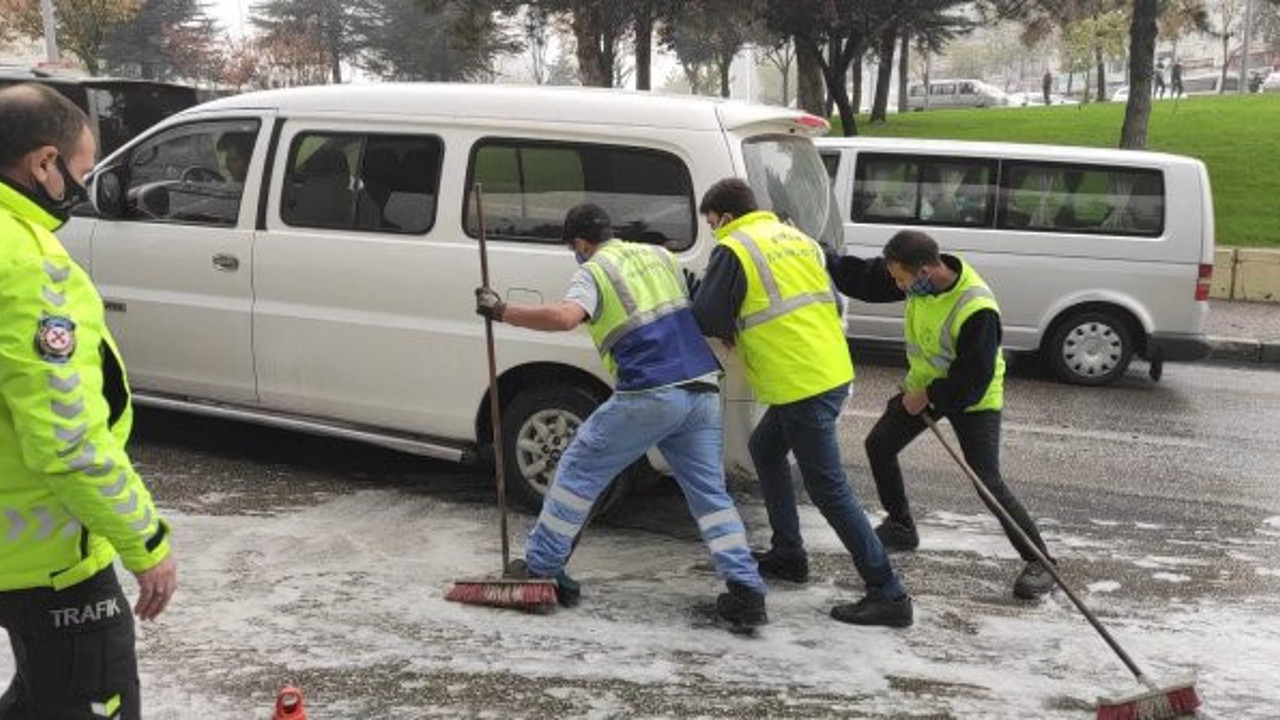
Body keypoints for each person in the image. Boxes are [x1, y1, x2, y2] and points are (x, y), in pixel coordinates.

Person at [474, 203, 770, 627]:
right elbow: (703, 302)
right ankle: (746, 592)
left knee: (577, 468)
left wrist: (501, 311)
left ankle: (540, 569)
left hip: (650, 393)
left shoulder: (593, 270)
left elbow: (565, 317)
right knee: (710, 496)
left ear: (579, 243)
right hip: (701, 389)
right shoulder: (660, 256)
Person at [0, 83, 177, 719]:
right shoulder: (26, 264)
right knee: (89, 698)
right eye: (80, 172)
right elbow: (68, 436)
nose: (82, 189)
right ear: (42, 164)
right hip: (48, 556)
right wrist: (145, 541)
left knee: (38, 698)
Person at [690, 178, 912, 627]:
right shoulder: (799, 239)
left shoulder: (735, 248)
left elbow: (708, 316)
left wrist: (694, 291)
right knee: (765, 450)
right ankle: (789, 552)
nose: (714, 232)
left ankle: (888, 592)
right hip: (827, 368)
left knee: (830, 491)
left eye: (713, 224)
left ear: (728, 217)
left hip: (800, 381)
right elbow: (825, 300)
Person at [826, 229, 1056, 600]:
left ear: (925, 272)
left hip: (972, 398)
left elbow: (974, 378)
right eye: (895, 278)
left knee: (987, 481)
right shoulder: (915, 280)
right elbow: (864, 278)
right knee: (880, 445)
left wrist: (930, 396)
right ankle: (901, 526)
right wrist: (819, 256)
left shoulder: (976, 308)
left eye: (901, 278)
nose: (897, 286)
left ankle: (1041, 562)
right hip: (923, 388)